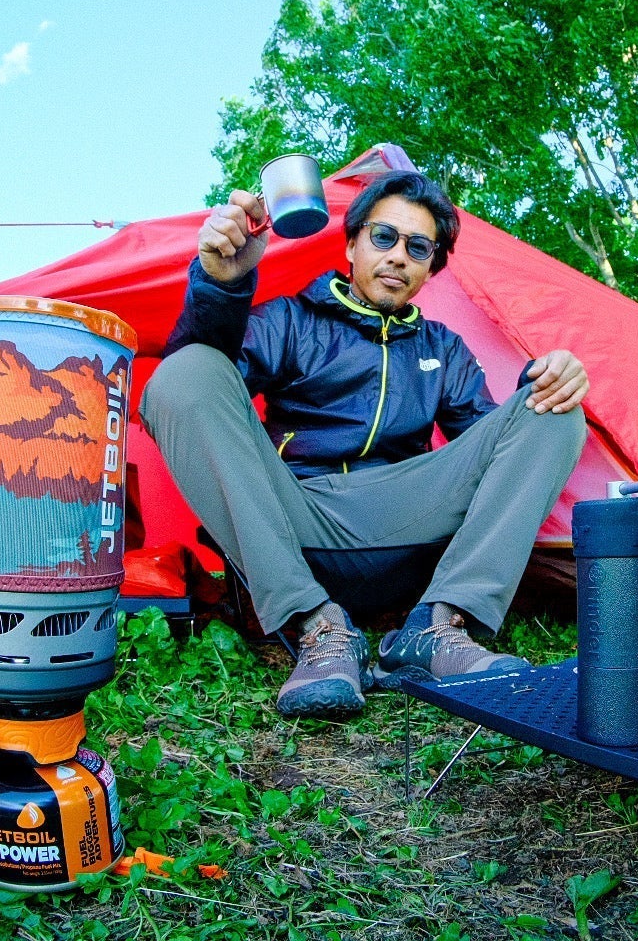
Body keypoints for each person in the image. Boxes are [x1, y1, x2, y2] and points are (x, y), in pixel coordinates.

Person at [140, 169, 588, 718]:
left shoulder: (443, 350)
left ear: (430, 268)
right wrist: (222, 284)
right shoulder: (292, 320)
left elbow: (490, 447)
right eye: (383, 237)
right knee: (183, 373)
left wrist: (543, 383)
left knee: (557, 414)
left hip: (406, 521)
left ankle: (437, 626)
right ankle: (317, 627)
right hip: (296, 517)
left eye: (417, 247)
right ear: (351, 244)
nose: (398, 256)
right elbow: (203, 378)